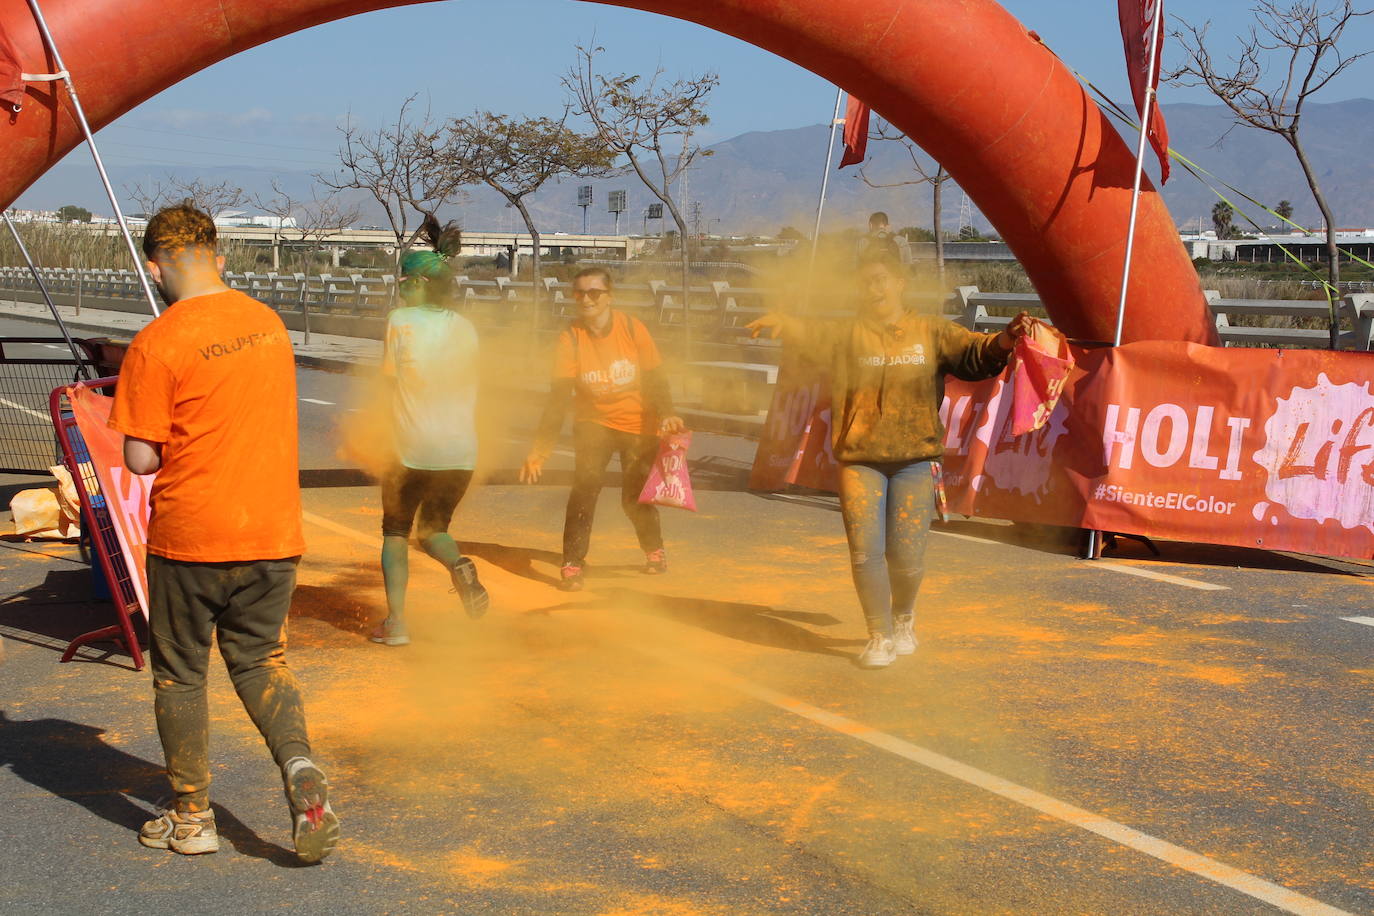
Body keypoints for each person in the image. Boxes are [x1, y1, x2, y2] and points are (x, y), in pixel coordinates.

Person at [109, 202, 338, 861]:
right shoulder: (267, 325)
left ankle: (191, 817)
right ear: (222, 258)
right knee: (262, 660)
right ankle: (297, 766)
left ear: (156, 267)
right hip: (272, 533)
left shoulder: (158, 341)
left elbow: (141, 459)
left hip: (192, 537)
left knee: (180, 674)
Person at [747, 251, 1032, 669]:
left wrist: (1006, 339)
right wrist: (784, 323)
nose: (873, 288)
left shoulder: (931, 331)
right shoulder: (847, 334)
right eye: (865, 282)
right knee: (865, 554)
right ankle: (879, 635)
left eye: (881, 280)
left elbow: (976, 355)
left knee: (906, 555)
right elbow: (811, 334)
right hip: (859, 460)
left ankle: (903, 619)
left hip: (915, 459)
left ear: (899, 283)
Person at [520, 267, 684, 591]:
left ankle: (654, 548)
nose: (586, 299)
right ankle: (572, 563)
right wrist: (540, 450)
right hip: (593, 422)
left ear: (610, 297)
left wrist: (667, 413)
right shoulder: (570, 337)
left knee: (633, 497)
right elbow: (557, 398)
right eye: (579, 293)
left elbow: (655, 377)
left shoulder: (632, 329)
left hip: (638, 423)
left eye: (594, 292)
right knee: (585, 488)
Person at [370, 245, 489, 647]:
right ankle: (458, 563)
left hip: (410, 450)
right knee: (434, 528)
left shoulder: (399, 321)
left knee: (396, 532)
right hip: (460, 453)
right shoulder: (466, 327)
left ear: (421, 283)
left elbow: (388, 380)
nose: (400, 289)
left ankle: (396, 623)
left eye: (404, 281)